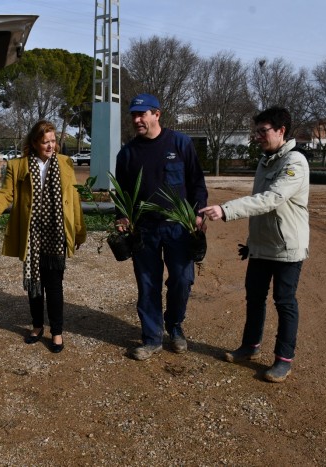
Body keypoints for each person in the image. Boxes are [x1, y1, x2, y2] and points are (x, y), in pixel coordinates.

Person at [199, 106, 309, 383]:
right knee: (254, 298)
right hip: (261, 246)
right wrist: (251, 242)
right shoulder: (265, 161)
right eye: (256, 131)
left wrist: (226, 210)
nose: (257, 136)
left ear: (281, 131)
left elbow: (271, 199)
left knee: (284, 302)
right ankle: (250, 346)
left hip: (287, 248)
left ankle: (283, 360)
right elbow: (262, 207)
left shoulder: (294, 162)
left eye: (263, 131)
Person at [115, 93, 208, 361]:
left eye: (142, 114)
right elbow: (121, 192)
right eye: (134, 114)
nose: (137, 119)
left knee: (182, 280)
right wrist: (123, 216)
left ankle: (175, 326)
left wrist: (199, 214)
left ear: (157, 114)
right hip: (144, 230)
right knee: (147, 285)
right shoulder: (128, 153)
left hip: (179, 227)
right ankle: (152, 337)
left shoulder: (180, 143)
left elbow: (197, 183)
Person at [0, 120, 86, 353]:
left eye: (53, 141)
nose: (51, 146)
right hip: (32, 234)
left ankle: (56, 331)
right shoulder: (19, 166)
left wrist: (78, 231)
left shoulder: (65, 163)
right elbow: (5, 193)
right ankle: (37, 326)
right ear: (34, 143)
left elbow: (74, 201)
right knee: (34, 284)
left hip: (57, 232)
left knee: (55, 285)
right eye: (45, 142)